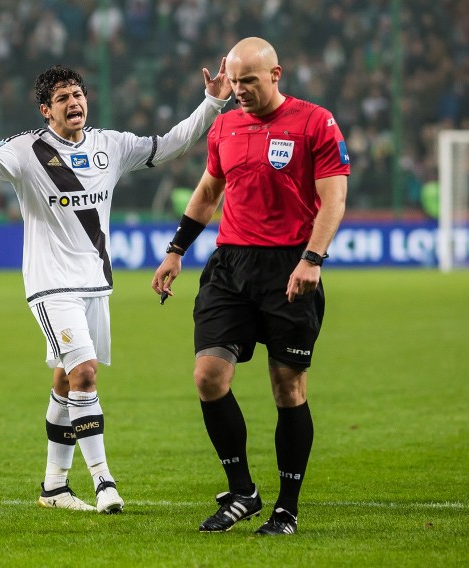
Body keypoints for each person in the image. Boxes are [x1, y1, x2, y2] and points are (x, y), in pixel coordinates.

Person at [0, 62, 231, 513]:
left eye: (78, 95)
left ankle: (54, 487)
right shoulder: (25, 150)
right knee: (86, 372)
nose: (74, 103)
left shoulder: (109, 145)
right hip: (50, 286)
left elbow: (173, 144)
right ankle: (104, 482)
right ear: (45, 111)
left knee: (66, 380)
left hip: (95, 284)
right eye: (63, 99)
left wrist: (211, 102)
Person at [151, 37, 350, 536]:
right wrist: (176, 249)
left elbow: (333, 200)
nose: (238, 90)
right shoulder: (225, 126)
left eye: (249, 81)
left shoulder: (315, 122)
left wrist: (312, 259)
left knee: (288, 390)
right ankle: (243, 491)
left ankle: (287, 508)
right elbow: (208, 192)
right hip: (230, 267)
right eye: (233, 81)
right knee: (208, 378)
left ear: (276, 74)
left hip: (290, 269)